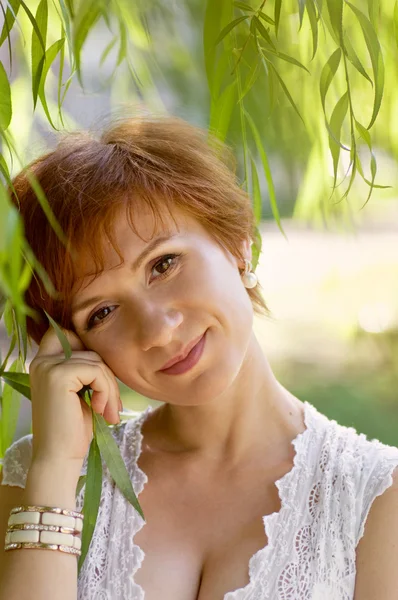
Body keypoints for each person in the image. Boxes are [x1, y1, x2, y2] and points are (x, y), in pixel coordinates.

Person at [0, 115, 397, 600]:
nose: (158, 330)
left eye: (163, 264)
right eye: (102, 312)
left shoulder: (375, 498)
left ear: (236, 244)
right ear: (70, 346)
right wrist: (57, 467)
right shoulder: (42, 478)